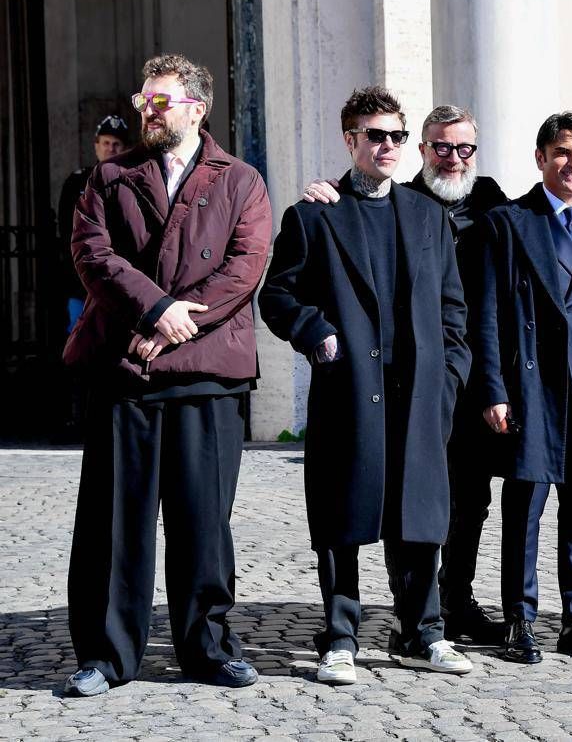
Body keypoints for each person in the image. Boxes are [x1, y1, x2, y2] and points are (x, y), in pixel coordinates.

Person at [299, 105, 572, 645]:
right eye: (441, 147)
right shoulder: (402, 201)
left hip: (476, 374)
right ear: (422, 149)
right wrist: (326, 189)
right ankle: (411, 610)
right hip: (412, 376)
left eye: (464, 148)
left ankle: (457, 598)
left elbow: (544, 212)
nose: (454, 158)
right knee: (408, 495)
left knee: (470, 497)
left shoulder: (491, 199)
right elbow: (359, 210)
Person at [62, 53, 271, 696]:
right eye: (143, 100)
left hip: (205, 371)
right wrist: (155, 309)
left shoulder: (241, 181)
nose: (146, 110)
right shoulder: (109, 177)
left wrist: (176, 323)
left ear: (197, 108)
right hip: (126, 367)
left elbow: (244, 266)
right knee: (114, 522)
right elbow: (92, 253)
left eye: (160, 100)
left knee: (203, 523)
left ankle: (207, 648)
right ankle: (106, 655)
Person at [259, 86, 474, 685]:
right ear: (350, 139)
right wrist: (316, 333)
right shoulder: (314, 215)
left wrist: (449, 378)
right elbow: (276, 295)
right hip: (350, 392)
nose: (388, 146)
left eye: (397, 136)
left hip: (420, 394)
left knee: (420, 517)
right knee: (342, 516)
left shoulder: (429, 216)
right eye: (375, 135)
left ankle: (423, 633)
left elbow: (452, 309)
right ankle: (339, 637)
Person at [474, 111, 572, 665]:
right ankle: (519, 620)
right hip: (533, 389)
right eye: (563, 152)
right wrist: (493, 389)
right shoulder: (508, 222)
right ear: (541, 158)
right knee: (524, 508)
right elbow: (488, 314)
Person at [59, 115, 134, 333]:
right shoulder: (77, 181)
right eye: (106, 143)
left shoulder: (135, 182)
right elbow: (67, 232)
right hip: (82, 280)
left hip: (122, 280)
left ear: (125, 148)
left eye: (116, 144)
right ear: (96, 145)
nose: (111, 149)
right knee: (80, 336)